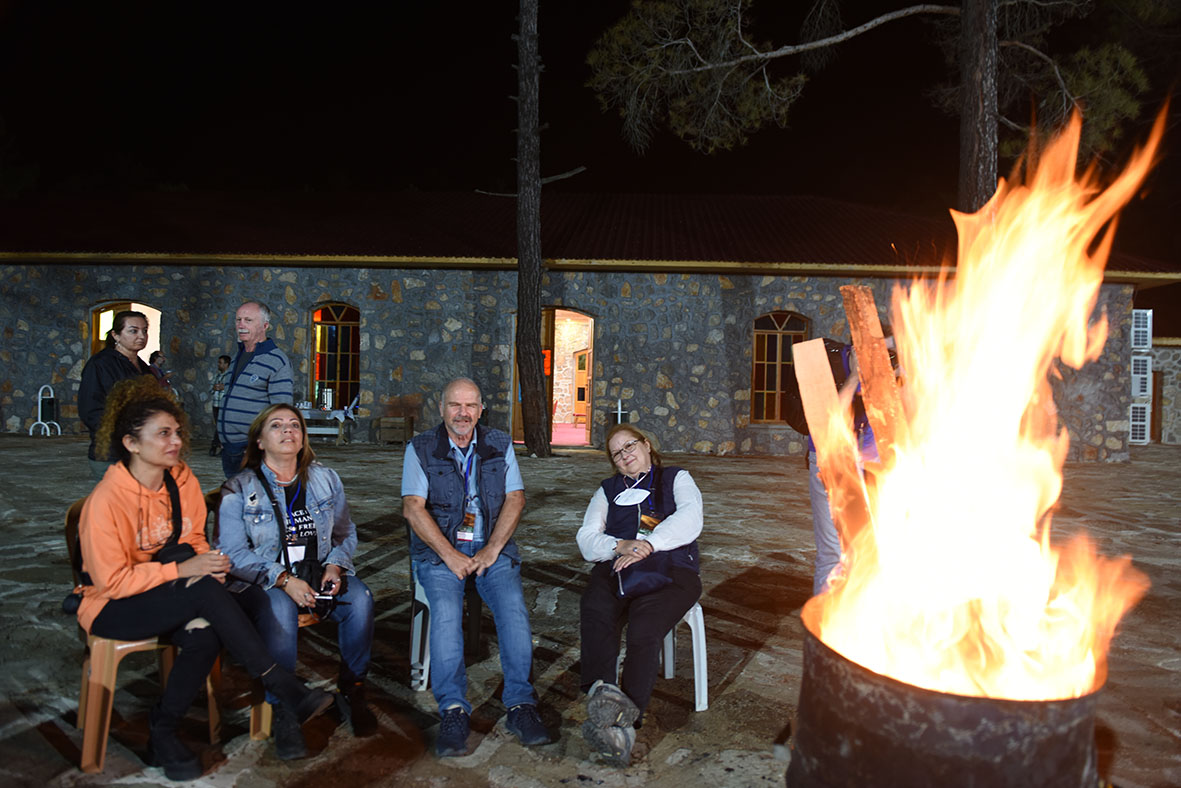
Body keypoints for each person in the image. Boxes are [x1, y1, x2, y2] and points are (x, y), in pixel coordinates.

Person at [75, 377, 334, 782]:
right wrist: (184, 571)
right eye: (163, 434)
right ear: (131, 443)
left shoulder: (180, 479)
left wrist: (206, 562)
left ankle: (163, 730)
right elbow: (111, 583)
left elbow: (194, 538)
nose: (176, 441)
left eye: (177, 432)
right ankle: (283, 686)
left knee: (209, 630)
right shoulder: (106, 501)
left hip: (171, 593)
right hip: (113, 606)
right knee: (205, 593)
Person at [216, 404, 377, 759]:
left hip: (316, 573)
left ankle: (353, 688)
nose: (288, 431)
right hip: (263, 582)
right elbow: (231, 553)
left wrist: (335, 566)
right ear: (259, 441)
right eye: (276, 425)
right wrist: (283, 579)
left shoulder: (325, 479)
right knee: (279, 606)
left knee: (361, 599)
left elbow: (345, 532)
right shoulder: (239, 488)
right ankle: (283, 707)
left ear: (303, 438)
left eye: (294, 425)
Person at [401, 377, 550, 757]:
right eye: (455, 405)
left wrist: (492, 549)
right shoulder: (420, 448)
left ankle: (521, 704)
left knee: (513, 611)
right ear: (442, 409)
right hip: (441, 554)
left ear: (481, 410)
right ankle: (453, 709)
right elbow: (413, 508)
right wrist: (450, 555)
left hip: (490, 550)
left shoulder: (499, 444)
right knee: (446, 615)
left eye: (470, 406)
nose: (463, 413)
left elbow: (515, 499)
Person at [576, 424, 703, 766]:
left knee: (644, 628)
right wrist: (619, 545)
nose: (625, 455)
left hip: (672, 572)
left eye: (630, 446)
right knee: (595, 608)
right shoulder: (607, 490)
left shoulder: (675, 478)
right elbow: (586, 537)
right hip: (618, 570)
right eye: (616, 453)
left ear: (646, 445)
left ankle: (625, 725)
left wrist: (649, 545)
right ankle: (604, 697)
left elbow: (691, 518)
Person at [806, 330, 895, 595]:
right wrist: (855, 376)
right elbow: (826, 426)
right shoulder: (821, 362)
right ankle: (824, 616)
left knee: (871, 549)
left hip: (868, 463)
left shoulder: (888, 366)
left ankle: (857, 610)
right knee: (833, 552)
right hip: (829, 459)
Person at [217, 301, 294, 478]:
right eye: (238, 320)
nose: (241, 325)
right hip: (230, 450)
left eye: (248, 320)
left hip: (254, 451)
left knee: (258, 496)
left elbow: (282, 411)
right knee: (237, 495)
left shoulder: (277, 361)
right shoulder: (237, 357)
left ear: (265, 326)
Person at [78, 310, 152, 481]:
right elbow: (91, 411)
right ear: (116, 335)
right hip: (112, 454)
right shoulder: (100, 364)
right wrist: (124, 435)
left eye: (144, 330)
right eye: (133, 331)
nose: (141, 336)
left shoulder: (143, 367)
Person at [209, 355, 231, 456]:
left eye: (220, 363)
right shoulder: (217, 376)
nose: (218, 365)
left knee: (222, 425)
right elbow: (210, 388)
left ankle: (216, 445)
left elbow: (232, 389)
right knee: (218, 425)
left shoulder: (230, 376)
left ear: (226, 364)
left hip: (224, 404)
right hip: (216, 404)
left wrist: (224, 387)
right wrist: (214, 388)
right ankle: (220, 445)